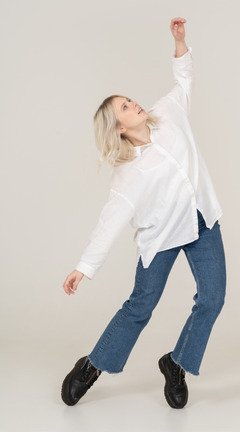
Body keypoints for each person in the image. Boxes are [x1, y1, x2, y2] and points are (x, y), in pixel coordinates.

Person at [61, 17, 226, 409]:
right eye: (124, 106)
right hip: (162, 236)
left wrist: (180, 43)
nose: (133, 102)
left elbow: (183, 81)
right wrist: (83, 267)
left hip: (202, 221)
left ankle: (177, 363)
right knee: (140, 306)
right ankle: (93, 364)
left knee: (213, 298)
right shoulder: (127, 173)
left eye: (129, 99)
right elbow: (110, 222)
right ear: (117, 127)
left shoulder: (168, 112)